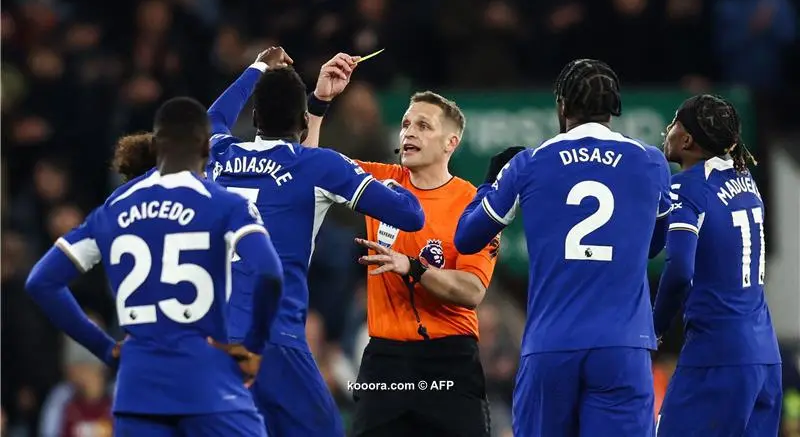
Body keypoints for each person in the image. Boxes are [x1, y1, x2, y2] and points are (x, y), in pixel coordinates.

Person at [26, 97, 284, 437]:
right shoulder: (224, 203)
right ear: (206, 146)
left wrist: (105, 348)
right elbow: (269, 271)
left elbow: (41, 282)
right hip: (208, 384)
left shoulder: (113, 209)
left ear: (157, 145)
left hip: (137, 391)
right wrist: (253, 346)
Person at [205, 48, 426, 437]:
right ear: (302, 123)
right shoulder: (321, 166)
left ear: (255, 117)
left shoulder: (220, 154)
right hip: (274, 340)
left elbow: (212, 120)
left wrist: (258, 68)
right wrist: (395, 186)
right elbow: (410, 216)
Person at [454, 58, 672, 437]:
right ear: (613, 110)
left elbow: (467, 238)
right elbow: (656, 244)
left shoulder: (530, 163)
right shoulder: (650, 161)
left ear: (561, 105)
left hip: (551, 344)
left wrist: (490, 184)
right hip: (622, 345)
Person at [309, 89, 499, 437]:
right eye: (406, 124)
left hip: (449, 362)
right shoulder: (378, 184)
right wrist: (319, 103)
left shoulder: (473, 205)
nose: (409, 132)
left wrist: (414, 268)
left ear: (450, 143)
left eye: (424, 126)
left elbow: (472, 291)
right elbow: (309, 166)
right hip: (385, 361)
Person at [653, 94, 782, 436]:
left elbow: (680, 268)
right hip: (765, 356)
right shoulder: (746, 182)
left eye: (674, 123)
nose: (667, 130)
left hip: (717, 356)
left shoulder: (688, 186)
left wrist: (654, 327)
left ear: (688, 139)